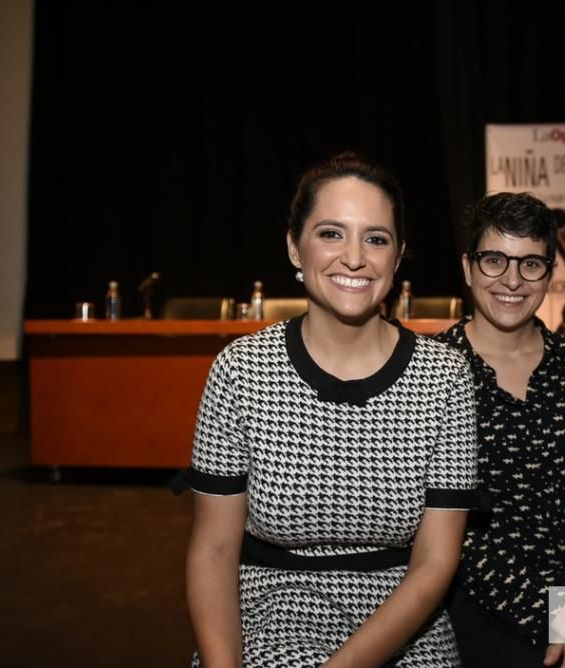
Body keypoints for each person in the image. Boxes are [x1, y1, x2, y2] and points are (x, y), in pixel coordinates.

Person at [177, 152, 479, 667]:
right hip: (271, 610)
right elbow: (213, 552)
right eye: (332, 233)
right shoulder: (240, 370)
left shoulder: (447, 377)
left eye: (376, 238)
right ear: (295, 247)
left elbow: (435, 561)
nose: (355, 258)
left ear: (399, 255)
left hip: (406, 620)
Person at [435, 192, 565, 668]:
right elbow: (449, 532)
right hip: (484, 607)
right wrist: (554, 619)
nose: (512, 279)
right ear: (468, 268)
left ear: (549, 275)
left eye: (531, 264)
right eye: (495, 261)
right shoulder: (431, 373)